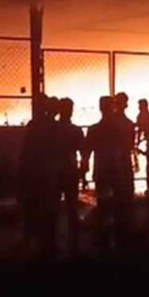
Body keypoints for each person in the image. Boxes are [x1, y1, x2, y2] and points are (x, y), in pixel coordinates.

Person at [83, 96, 135, 252]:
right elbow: (128, 148)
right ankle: (122, 242)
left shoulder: (94, 130)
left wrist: (83, 172)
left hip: (102, 170)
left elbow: (86, 153)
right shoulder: (123, 128)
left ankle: (103, 241)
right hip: (119, 172)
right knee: (121, 207)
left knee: (104, 206)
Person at [17, 96, 59, 255]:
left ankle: (33, 239)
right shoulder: (50, 126)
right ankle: (46, 241)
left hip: (37, 171)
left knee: (34, 206)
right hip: (45, 171)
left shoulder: (35, 125)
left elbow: (26, 150)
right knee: (45, 207)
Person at [55, 98, 85, 255]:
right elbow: (83, 152)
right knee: (72, 207)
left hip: (55, 171)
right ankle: (74, 243)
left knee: (53, 206)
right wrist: (83, 171)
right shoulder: (75, 130)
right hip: (70, 170)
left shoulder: (52, 130)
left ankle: (52, 241)